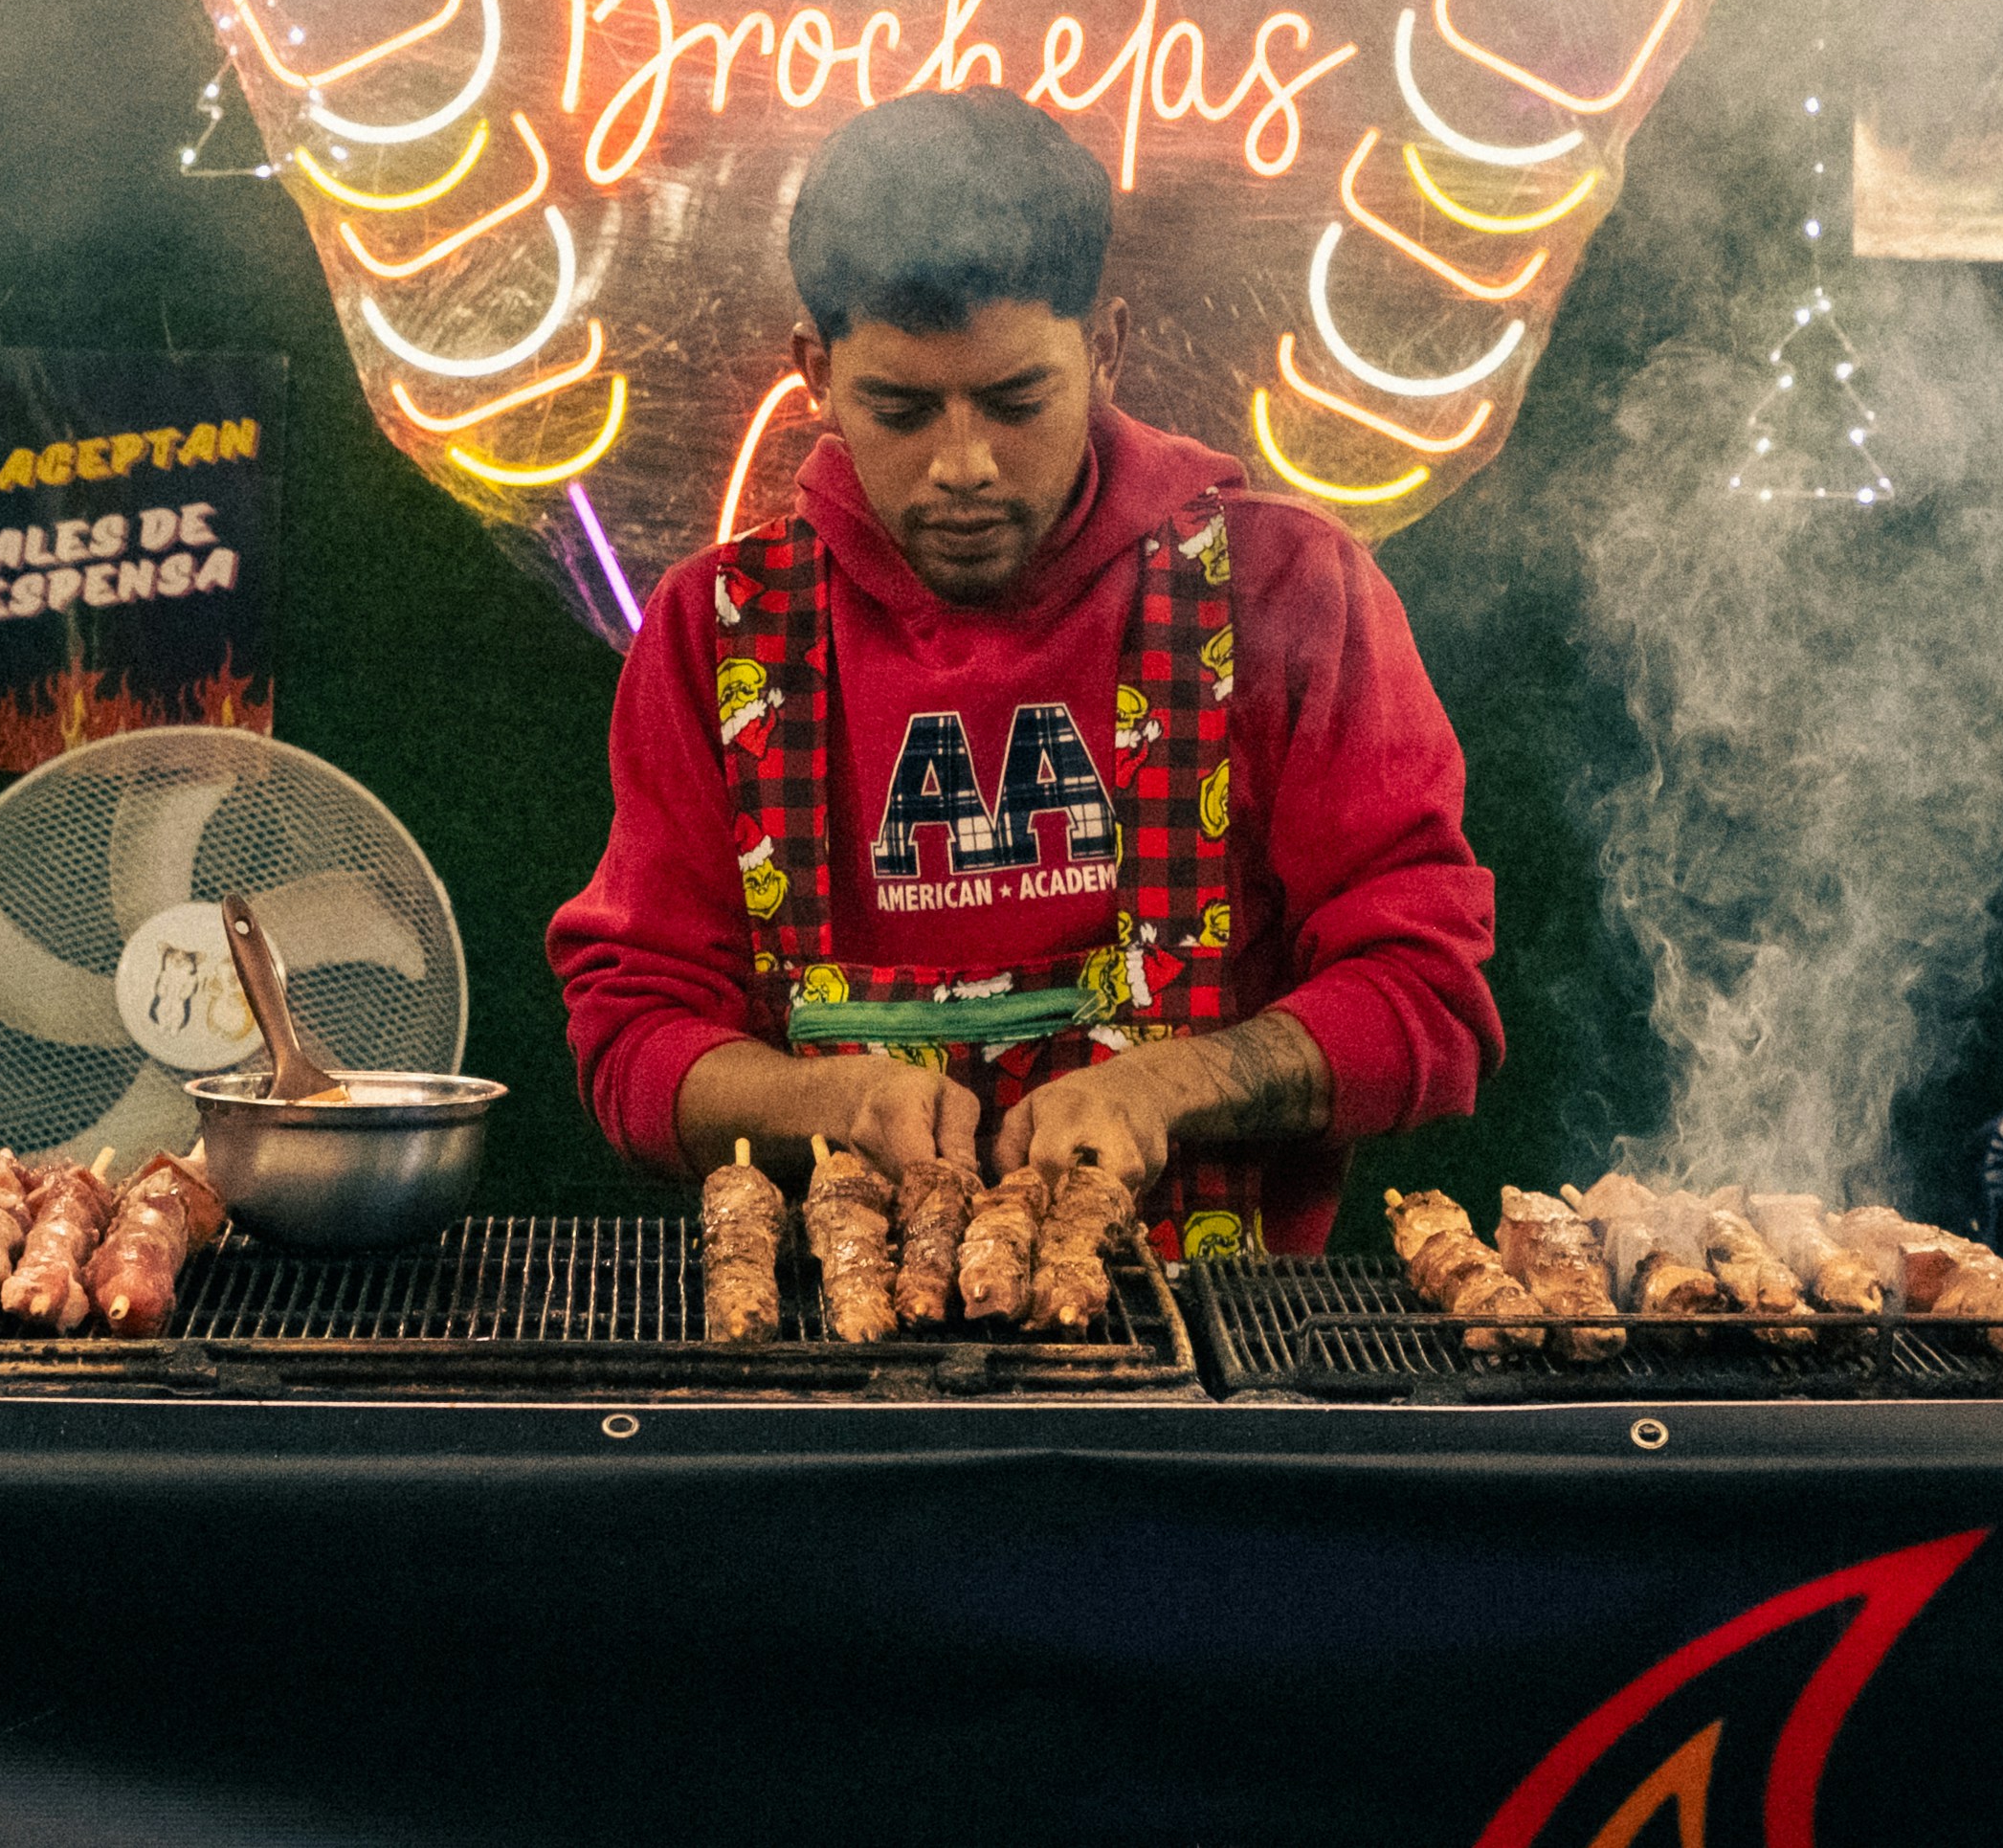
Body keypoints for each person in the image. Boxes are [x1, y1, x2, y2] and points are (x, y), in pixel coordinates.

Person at [545, 90, 1502, 1258]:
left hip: (1218, 1369)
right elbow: (632, 1038)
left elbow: (1426, 999)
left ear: (1103, 350)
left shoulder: (1286, 589)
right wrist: (830, 1106)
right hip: (835, 1357)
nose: (960, 465)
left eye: (1015, 402)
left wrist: (1169, 1087)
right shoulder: (717, 630)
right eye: (896, 409)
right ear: (814, 373)